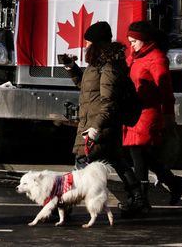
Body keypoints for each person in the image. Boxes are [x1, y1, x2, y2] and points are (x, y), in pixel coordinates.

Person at [62, 21, 148, 217]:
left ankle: (65, 206)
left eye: (88, 42)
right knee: (117, 160)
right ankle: (138, 198)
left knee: (81, 164)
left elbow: (108, 101)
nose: (85, 46)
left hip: (98, 124)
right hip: (101, 124)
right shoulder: (100, 64)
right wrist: (71, 68)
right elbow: (87, 90)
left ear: (98, 44)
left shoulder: (108, 66)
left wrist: (95, 128)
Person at [124, 21, 182, 207]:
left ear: (144, 40)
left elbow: (166, 91)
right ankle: (174, 182)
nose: (131, 45)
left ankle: (141, 198)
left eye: (134, 41)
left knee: (137, 151)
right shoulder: (135, 56)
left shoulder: (157, 59)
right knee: (142, 154)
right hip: (135, 112)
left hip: (147, 112)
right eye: (129, 41)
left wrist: (169, 117)